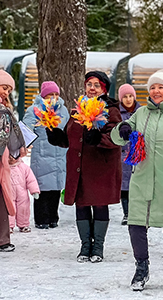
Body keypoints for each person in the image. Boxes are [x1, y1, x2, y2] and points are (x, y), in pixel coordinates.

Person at [111, 69, 163, 292]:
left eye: (161, 87)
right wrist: (124, 128)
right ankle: (141, 269)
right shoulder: (141, 113)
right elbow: (118, 136)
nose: (156, 91)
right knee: (136, 224)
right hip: (143, 178)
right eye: (152, 87)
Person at [46, 71, 122, 263]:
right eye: (89, 84)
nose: (92, 88)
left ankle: (98, 247)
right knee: (81, 205)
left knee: (99, 204)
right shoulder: (77, 110)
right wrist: (58, 136)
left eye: (97, 85)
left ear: (104, 89)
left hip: (100, 167)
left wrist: (99, 139)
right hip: (79, 167)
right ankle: (85, 246)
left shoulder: (111, 110)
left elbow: (117, 137)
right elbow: (71, 138)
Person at [23, 81, 69, 229]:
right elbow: (26, 129)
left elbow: (68, 129)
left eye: (56, 95)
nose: (53, 98)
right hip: (42, 155)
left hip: (60, 153)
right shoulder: (34, 110)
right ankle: (41, 218)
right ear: (43, 96)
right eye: (50, 95)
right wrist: (24, 144)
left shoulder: (63, 111)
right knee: (42, 188)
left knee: (56, 188)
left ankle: (53, 217)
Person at [0, 70, 26, 252]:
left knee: (2, 196)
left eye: (9, 90)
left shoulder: (5, 109)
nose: (6, 92)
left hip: (3, 157)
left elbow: (9, 134)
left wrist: (13, 151)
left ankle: (3, 239)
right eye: (3, 87)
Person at [117, 83, 140, 225]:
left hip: (138, 154)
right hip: (123, 155)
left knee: (137, 186)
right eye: (125, 97)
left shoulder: (141, 112)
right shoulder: (117, 114)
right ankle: (127, 213)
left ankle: (137, 212)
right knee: (124, 186)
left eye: (130, 96)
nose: (128, 99)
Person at [8, 156, 40, 233]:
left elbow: (31, 180)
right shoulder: (3, 167)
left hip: (22, 193)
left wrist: (34, 190)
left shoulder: (24, 167)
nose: (12, 159)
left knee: (23, 208)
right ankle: (8, 226)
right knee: (9, 209)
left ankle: (24, 225)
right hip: (8, 193)